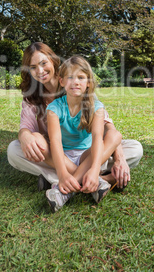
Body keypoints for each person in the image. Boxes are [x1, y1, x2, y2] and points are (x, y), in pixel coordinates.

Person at [7, 42, 143, 195]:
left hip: (88, 152)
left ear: (53, 60)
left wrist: (119, 158)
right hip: (57, 154)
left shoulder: (76, 86)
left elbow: (107, 127)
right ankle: (100, 179)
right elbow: (26, 127)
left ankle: (57, 180)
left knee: (135, 148)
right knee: (14, 150)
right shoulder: (31, 96)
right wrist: (25, 136)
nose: (40, 70)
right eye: (33, 67)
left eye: (43, 63)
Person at [45, 55, 121, 211]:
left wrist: (93, 169)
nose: (75, 82)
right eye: (70, 77)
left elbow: (97, 139)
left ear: (88, 83)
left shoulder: (96, 107)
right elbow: (55, 142)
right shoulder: (54, 108)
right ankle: (95, 181)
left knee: (114, 136)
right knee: (41, 145)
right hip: (64, 158)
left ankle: (63, 192)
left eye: (81, 77)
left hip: (88, 155)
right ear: (62, 81)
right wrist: (62, 174)